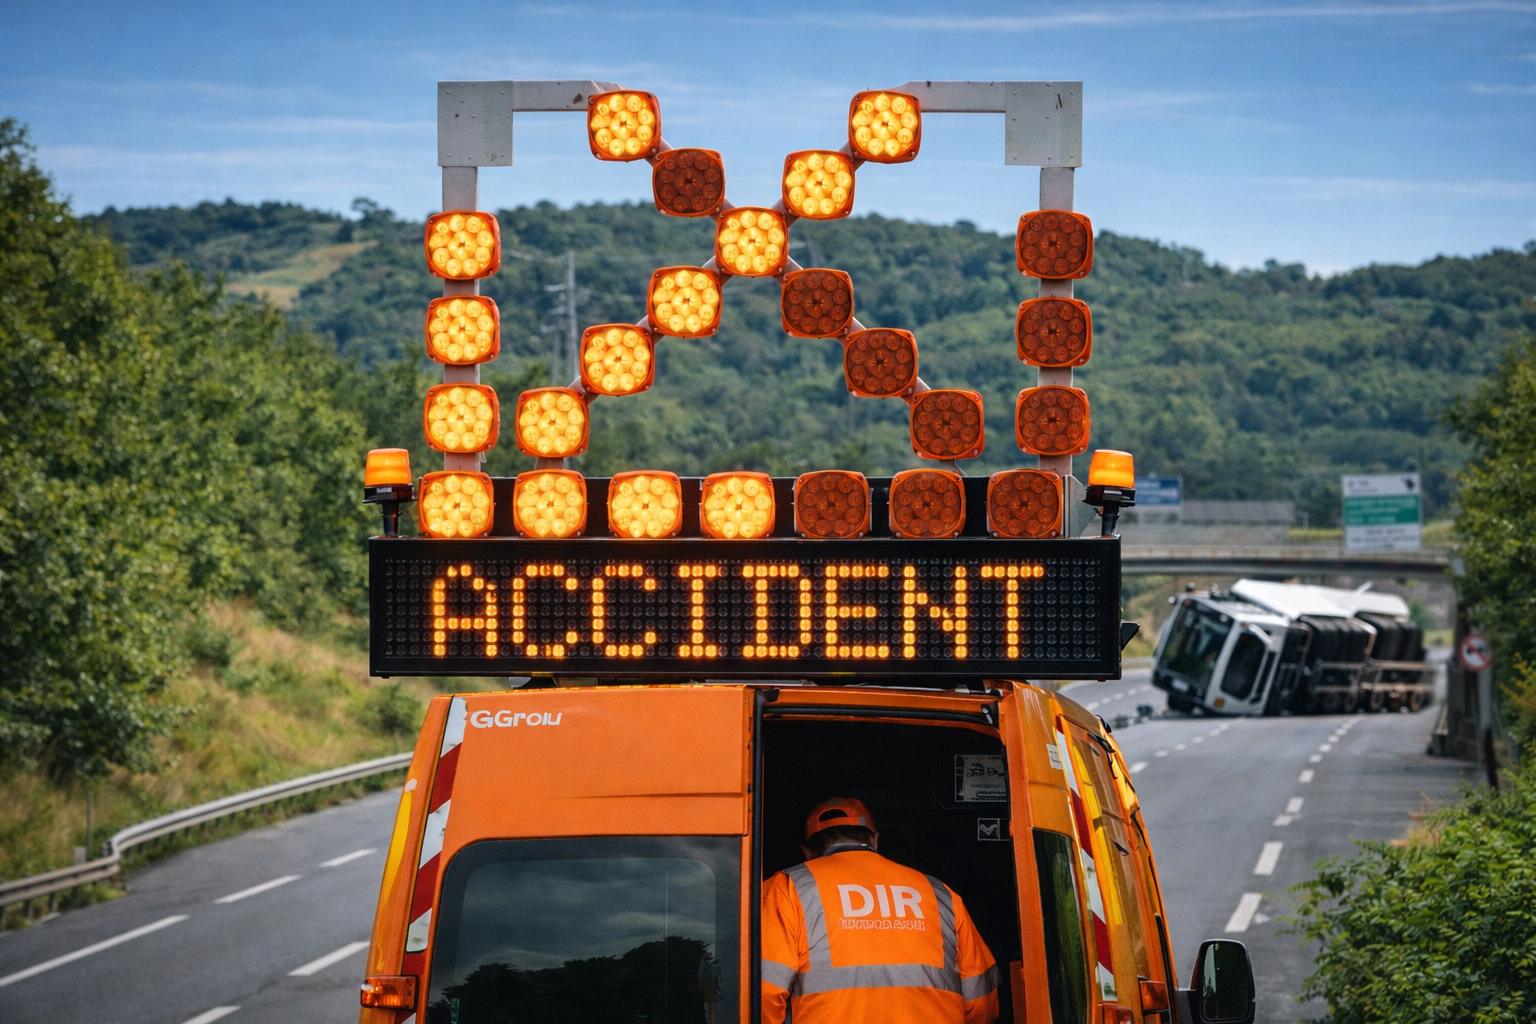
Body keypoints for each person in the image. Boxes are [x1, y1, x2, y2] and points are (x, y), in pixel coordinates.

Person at [761, 797, 1000, 1024]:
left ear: (807, 852)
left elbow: (764, 991)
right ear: (875, 840)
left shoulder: (786, 889)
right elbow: (981, 1000)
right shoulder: (940, 893)